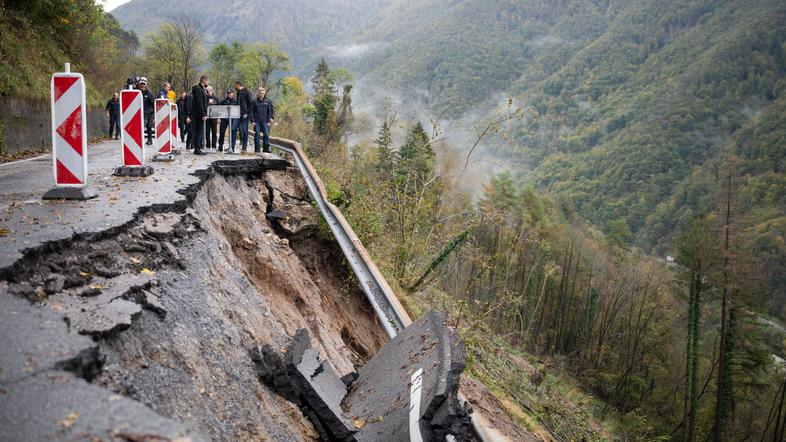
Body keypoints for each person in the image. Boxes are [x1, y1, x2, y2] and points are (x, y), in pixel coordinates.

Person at [187, 75, 209, 155]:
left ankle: (197, 148)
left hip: (198, 113)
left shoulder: (200, 89)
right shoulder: (199, 89)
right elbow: (200, 103)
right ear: (204, 80)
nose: (208, 82)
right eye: (207, 81)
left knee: (198, 131)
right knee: (199, 132)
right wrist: (203, 114)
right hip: (198, 114)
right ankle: (197, 149)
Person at [251, 86, 275, 153]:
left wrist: (270, 119)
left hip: (265, 121)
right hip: (257, 121)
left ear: (264, 94)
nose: (261, 94)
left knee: (266, 134)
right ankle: (257, 149)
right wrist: (252, 121)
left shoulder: (268, 101)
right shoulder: (254, 101)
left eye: (262, 93)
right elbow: (251, 112)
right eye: (260, 93)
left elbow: (270, 111)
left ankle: (266, 149)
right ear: (258, 93)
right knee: (257, 134)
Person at [234, 80, 252, 152]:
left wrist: (247, 113)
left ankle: (244, 148)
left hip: (244, 115)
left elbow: (250, 104)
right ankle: (231, 147)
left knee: (244, 131)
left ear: (238, 85)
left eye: (235, 85)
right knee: (233, 129)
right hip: (237, 114)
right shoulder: (238, 93)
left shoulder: (247, 92)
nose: (235, 87)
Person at [138, 78, 155, 146]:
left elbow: (153, 103)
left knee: (149, 127)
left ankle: (149, 140)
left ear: (146, 85)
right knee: (141, 126)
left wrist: (153, 113)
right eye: (141, 84)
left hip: (148, 113)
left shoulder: (149, 93)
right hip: (140, 112)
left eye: (143, 84)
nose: (142, 85)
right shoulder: (138, 92)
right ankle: (139, 140)